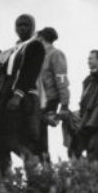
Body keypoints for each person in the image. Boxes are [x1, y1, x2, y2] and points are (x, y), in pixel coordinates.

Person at [0, 14, 46, 172]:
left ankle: (35, 171)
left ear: (33, 27)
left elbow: (30, 72)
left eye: (26, 25)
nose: (22, 28)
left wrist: (18, 95)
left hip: (23, 96)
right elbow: (5, 74)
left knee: (16, 138)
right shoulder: (14, 49)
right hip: (5, 95)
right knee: (0, 138)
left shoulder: (35, 46)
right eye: (19, 25)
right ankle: (3, 177)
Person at [34, 27, 71, 160]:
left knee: (39, 134)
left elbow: (61, 79)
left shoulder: (55, 54)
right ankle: (43, 164)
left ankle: (45, 166)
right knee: (35, 135)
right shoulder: (40, 55)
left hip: (49, 99)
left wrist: (65, 105)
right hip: (38, 99)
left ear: (41, 38)